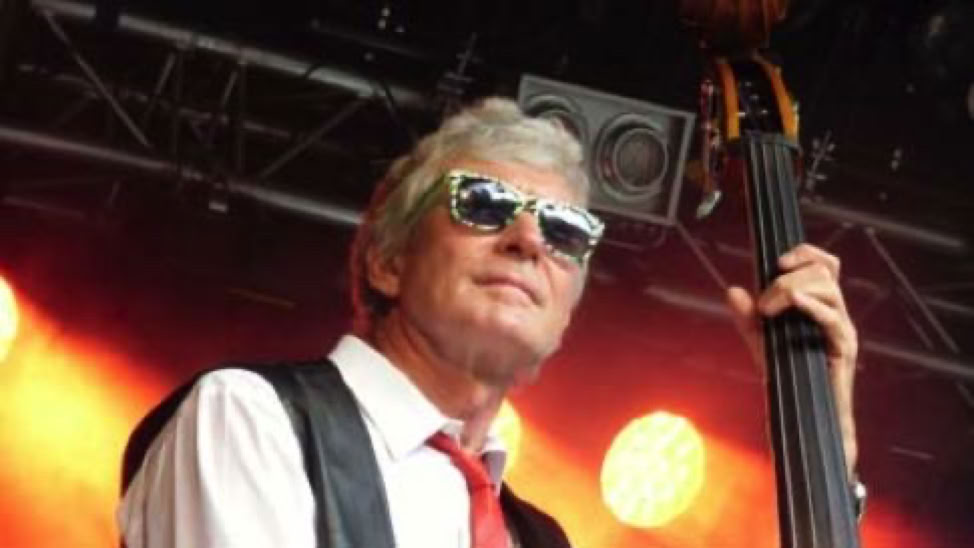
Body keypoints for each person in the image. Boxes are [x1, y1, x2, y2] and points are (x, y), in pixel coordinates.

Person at [117, 98, 859, 548]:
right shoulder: (255, 420)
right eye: (484, 205)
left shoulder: (538, 538)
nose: (530, 239)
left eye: (565, 231)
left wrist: (829, 444)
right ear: (387, 260)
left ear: (567, 311)